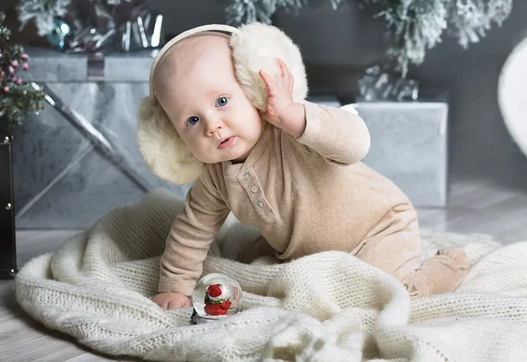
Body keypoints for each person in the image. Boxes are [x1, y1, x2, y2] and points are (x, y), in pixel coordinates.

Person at [138, 24, 471, 310]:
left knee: (387, 294)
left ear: (253, 87)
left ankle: (447, 266)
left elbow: (356, 143)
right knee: (261, 269)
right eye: (192, 120)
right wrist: (174, 286)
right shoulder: (213, 176)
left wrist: (292, 114)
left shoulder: (293, 128)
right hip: (308, 249)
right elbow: (192, 230)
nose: (213, 125)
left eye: (222, 101)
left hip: (380, 229)